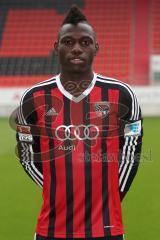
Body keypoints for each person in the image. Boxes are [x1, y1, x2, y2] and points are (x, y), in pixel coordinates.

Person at [16, 5, 143, 240]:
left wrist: (107, 196)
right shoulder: (33, 99)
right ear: (56, 48)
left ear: (96, 47)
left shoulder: (122, 94)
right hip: (51, 230)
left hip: (106, 229)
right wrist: (59, 189)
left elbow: (130, 155)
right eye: (68, 42)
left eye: (85, 42)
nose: (76, 48)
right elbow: (27, 155)